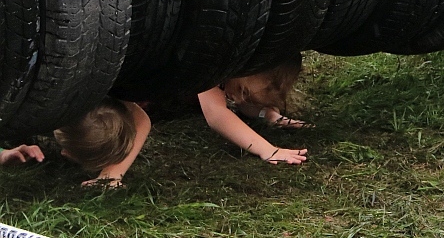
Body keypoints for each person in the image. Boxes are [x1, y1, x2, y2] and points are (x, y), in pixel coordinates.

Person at [53, 56, 308, 187]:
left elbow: (244, 104)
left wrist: (269, 116)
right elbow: (218, 116)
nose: (236, 98)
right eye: (240, 92)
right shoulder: (213, 65)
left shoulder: (234, 82)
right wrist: (269, 150)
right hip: (147, 92)